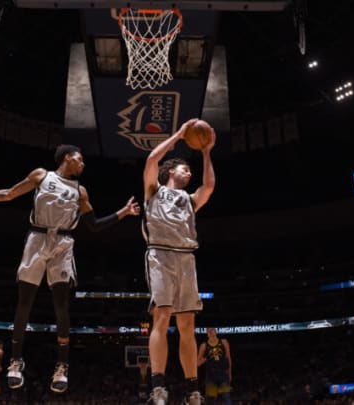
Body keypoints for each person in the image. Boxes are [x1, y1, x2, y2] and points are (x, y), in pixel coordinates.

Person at [0, 144, 140, 393]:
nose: (83, 163)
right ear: (67, 158)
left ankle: (62, 365)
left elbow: (93, 225)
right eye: (80, 159)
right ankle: (16, 361)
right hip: (37, 240)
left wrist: (123, 212)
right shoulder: (41, 175)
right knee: (24, 303)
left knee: (61, 305)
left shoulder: (81, 191)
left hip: (63, 244)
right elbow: (8, 194)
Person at [143, 119, 215, 405]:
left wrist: (207, 151)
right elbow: (151, 158)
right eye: (185, 168)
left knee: (187, 324)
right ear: (171, 171)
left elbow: (208, 186)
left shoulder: (190, 198)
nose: (190, 172)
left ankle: (192, 390)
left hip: (186, 259)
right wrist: (179, 135)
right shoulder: (153, 190)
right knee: (162, 315)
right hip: (160, 254)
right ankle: (158, 387)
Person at [197, 328, 232, 405]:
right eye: (209, 331)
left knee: (226, 397)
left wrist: (229, 373)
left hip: (223, 373)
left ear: (216, 332)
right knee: (210, 399)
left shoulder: (224, 342)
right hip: (211, 375)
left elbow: (228, 358)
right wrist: (206, 358)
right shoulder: (204, 345)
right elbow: (198, 363)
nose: (211, 332)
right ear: (207, 334)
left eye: (212, 330)